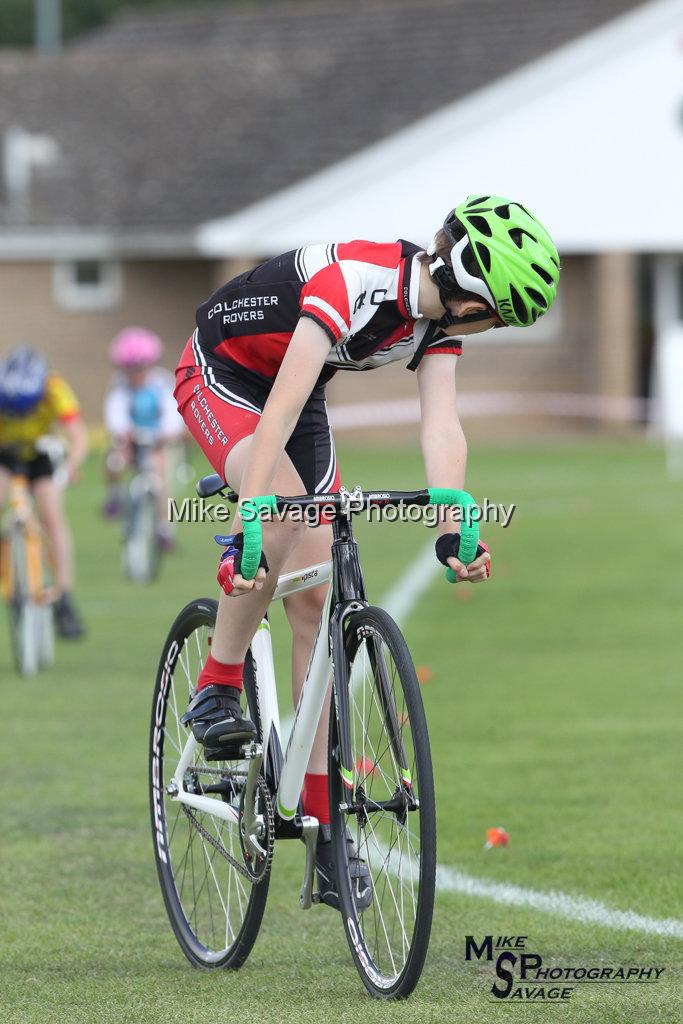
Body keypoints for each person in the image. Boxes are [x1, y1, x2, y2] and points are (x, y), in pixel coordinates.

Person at [173, 195, 560, 907]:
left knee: (317, 600)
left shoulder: (434, 326)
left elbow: (441, 426)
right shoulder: (351, 281)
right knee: (285, 518)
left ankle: (323, 831)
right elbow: (281, 404)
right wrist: (254, 515)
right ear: (473, 300)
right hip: (224, 375)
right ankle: (217, 684)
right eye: (501, 314)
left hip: (296, 388)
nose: (494, 327)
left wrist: (450, 521)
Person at [0, 347, 88, 638]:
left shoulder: (53, 387)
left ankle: (64, 597)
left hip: (40, 455)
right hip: (4, 455)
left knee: (51, 516)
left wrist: (72, 464)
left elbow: (77, 434)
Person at [103, 327, 184, 550]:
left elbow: (172, 411)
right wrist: (123, 434)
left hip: (157, 440)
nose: (135, 373)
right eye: (130, 369)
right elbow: (115, 412)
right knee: (114, 461)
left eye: (140, 368)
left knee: (159, 476)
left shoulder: (161, 382)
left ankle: (164, 530)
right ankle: (114, 495)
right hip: (130, 439)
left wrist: (168, 433)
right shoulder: (120, 385)